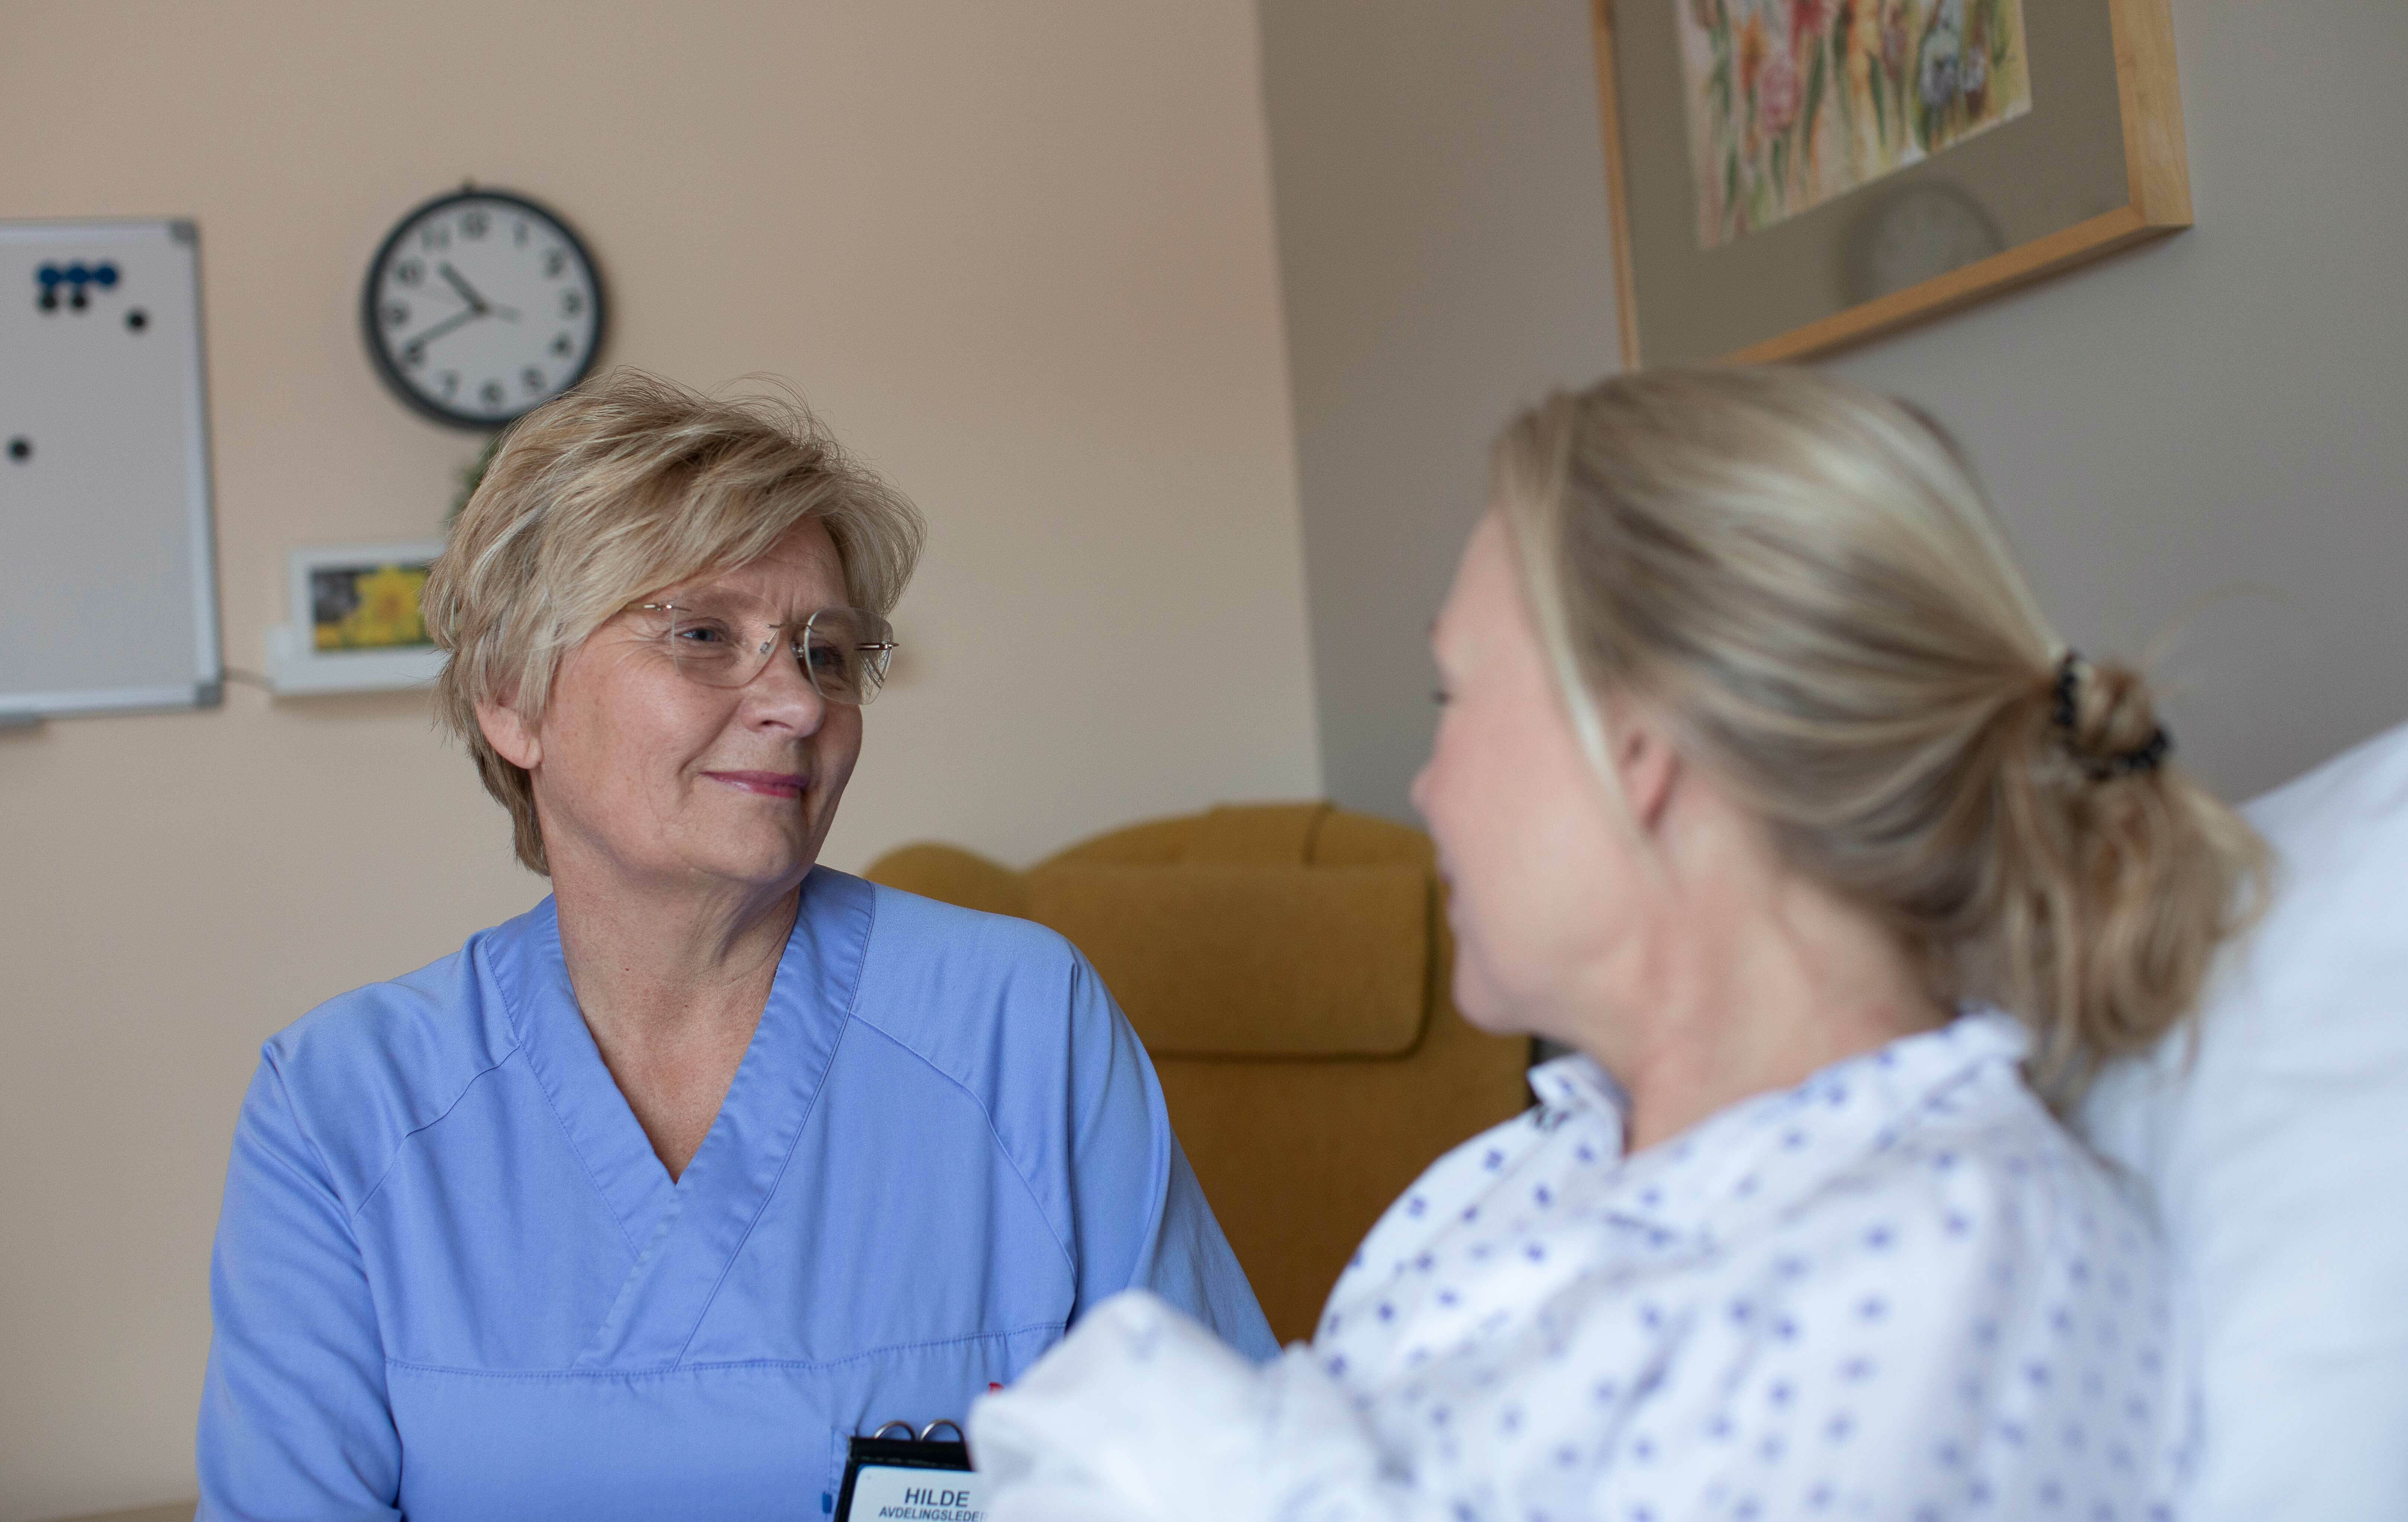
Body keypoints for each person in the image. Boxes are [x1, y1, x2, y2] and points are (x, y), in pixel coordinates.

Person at [970, 368, 2265, 1521]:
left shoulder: (1952, 1269)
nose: (1422, 785)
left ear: (1636, 748)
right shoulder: (1514, 1175)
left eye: (1453, 695)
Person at [196, 370, 1273, 1521]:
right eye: (705, 633)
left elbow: (1240, 1485)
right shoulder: (340, 1104)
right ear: (513, 696)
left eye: (826, 652)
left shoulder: (1022, 1022)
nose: (800, 704)